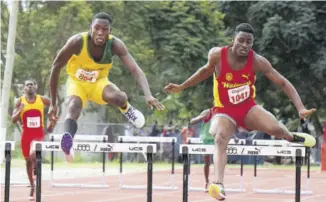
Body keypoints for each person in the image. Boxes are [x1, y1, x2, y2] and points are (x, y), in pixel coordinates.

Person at [164, 23, 316, 200]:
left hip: (248, 108)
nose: (245, 45)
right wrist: (182, 86)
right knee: (220, 137)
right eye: (241, 40)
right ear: (233, 40)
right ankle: (218, 184)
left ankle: (291, 137)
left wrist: (300, 107)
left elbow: (282, 82)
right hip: (224, 111)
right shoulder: (217, 55)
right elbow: (204, 71)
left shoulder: (257, 61)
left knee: (275, 128)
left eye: (249, 42)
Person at [48, 12, 164, 162]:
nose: (100, 32)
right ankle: (68, 141)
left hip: (98, 83)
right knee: (74, 105)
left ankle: (127, 109)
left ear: (110, 31)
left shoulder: (115, 45)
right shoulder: (77, 42)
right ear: (91, 29)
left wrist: (147, 94)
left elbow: (135, 69)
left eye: (105, 29)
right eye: (97, 28)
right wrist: (53, 103)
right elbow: (55, 66)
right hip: (77, 82)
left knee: (120, 97)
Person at [11, 79, 57, 200]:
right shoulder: (20, 101)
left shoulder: (42, 99)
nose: (30, 86)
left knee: (33, 154)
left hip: (38, 133)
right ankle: (32, 185)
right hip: (26, 135)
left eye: (32, 84)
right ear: (24, 88)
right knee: (28, 162)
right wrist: (20, 110)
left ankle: (36, 176)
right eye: (27, 85)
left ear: (35, 87)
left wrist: (51, 117)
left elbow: (53, 104)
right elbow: (13, 119)